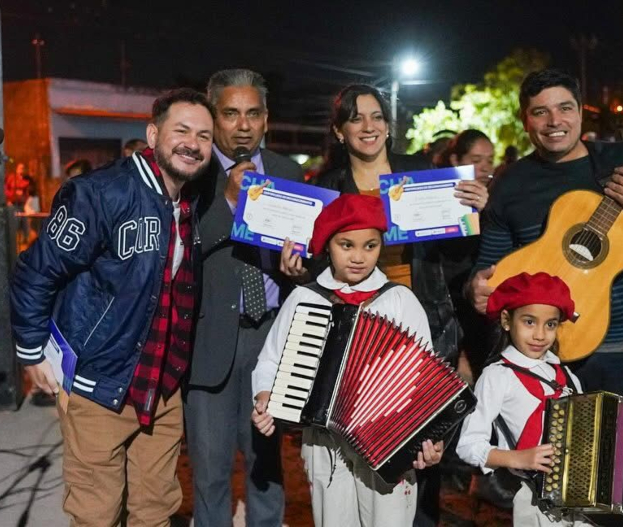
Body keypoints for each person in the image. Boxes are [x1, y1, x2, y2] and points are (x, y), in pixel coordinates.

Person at [10, 88, 214, 526]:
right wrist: (31, 351)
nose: (193, 143)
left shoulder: (190, 199)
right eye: (181, 130)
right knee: (96, 515)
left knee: (155, 510)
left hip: (161, 386)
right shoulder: (99, 192)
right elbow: (35, 271)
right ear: (153, 133)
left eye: (204, 135)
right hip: (97, 383)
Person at [302, 84, 487, 526]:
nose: (369, 126)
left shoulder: (421, 173)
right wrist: (296, 264)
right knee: (360, 443)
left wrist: (477, 215)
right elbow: (314, 269)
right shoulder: (328, 188)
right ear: (339, 130)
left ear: (388, 125)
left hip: (422, 326)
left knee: (423, 450)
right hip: (356, 335)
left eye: (376, 116)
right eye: (356, 118)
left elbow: (457, 258)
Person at [467, 69, 623, 406]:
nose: (554, 120)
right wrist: (475, 287)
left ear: (579, 110)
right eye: (540, 111)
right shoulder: (509, 183)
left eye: (565, 108)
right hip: (543, 352)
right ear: (525, 119)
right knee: (550, 455)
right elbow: (490, 265)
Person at [251, 193, 444, 527]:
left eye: (370, 246)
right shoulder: (305, 298)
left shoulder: (399, 300)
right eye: (346, 245)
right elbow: (269, 361)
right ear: (328, 246)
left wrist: (431, 437)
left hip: (388, 440)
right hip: (324, 442)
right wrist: (265, 396)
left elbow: (425, 382)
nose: (359, 257)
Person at [186, 68, 303, 527]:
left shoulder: (288, 171)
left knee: (267, 468)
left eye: (253, 113)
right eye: (230, 113)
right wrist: (231, 203)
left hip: (271, 338)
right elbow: (184, 250)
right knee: (211, 473)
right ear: (213, 116)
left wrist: (301, 265)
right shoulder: (192, 170)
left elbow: (310, 253)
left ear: (266, 119)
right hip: (209, 340)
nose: (242, 124)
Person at [457, 271, 590, 526]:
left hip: (578, 497)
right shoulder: (497, 376)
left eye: (550, 324)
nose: (540, 335)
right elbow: (468, 445)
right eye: (529, 322)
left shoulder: (569, 377)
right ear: (507, 321)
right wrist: (518, 458)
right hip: (532, 497)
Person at [436, 130, 495, 379]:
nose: (484, 167)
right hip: (444, 305)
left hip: (480, 309)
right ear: (455, 161)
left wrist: (488, 212)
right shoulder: (435, 197)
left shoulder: (497, 197)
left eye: (490, 160)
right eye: (476, 159)